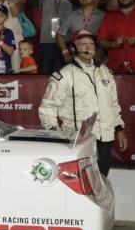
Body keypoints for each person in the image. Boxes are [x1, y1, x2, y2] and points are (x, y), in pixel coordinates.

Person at [38, 30, 128, 177]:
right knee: (82, 186)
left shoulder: (105, 71)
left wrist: (119, 129)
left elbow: (113, 104)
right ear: (74, 48)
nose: (88, 47)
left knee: (101, 183)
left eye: (91, 44)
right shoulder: (65, 74)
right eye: (83, 44)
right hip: (80, 140)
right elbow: (47, 108)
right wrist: (59, 135)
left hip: (105, 138)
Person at [26, 0, 79, 74]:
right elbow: (30, 3)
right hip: (47, 41)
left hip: (66, 40)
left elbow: (78, 3)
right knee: (45, 73)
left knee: (67, 73)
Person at [56, 0, 105, 66]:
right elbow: (59, 35)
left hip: (98, 56)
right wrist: (65, 52)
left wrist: (102, 51)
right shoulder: (71, 16)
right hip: (77, 58)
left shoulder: (103, 15)